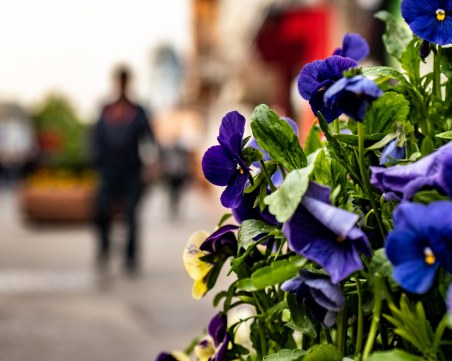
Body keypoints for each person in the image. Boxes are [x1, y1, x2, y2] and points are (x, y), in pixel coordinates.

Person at [91, 65, 155, 276]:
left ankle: (130, 257)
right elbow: (95, 137)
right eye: (119, 80)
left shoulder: (138, 111)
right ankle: (104, 248)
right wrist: (95, 160)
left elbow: (149, 140)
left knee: (131, 214)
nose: (122, 84)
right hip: (108, 170)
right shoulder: (105, 109)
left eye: (125, 80)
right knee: (101, 211)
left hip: (131, 172)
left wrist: (152, 163)